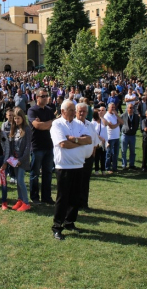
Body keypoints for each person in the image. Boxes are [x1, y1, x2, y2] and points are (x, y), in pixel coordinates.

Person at [50, 100, 92, 240]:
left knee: (75, 197)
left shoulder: (79, 124)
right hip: (64, 166)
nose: (74, 112)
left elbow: (89, 140)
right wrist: (79, 141)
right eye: (71, 110)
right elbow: (62, 144)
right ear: (63, 111)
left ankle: (70, 221)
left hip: (79, 165)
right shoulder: (57, 124)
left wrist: (73, 139)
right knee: (63, 198)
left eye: (74, 110)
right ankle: (57, 226)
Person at [27, 88, 55, 205]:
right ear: (37, 97)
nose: (45, 98)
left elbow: (53, 126)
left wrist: (46, 124)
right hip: (37, 146)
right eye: (43, 96)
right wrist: (50, 122)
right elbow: (38, 126)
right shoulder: (32, 110)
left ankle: (46, 197)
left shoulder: (49, 110)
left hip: (48, 145)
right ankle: (34, 197)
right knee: (35, 173)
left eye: (46, 96)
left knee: (48, 173)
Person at [76, 103, 99, 211]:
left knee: (85, 182)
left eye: (84, 111)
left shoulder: (90, 125)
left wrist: (93, 154)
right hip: (76, 159)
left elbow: (95, 142)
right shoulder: (73, 124)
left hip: (88, 158)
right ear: (76, 112)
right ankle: (75, 204)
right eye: (80, 111)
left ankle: (84, 203)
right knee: (76, 182)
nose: (81, 113)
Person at [9, 107, 32, 212]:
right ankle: (20, 199)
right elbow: (12, 144)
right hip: (15, 159)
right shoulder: (15, 129)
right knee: (17, 181)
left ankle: (26, 202)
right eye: (15, 118)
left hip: (22, 160)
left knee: (21, 180)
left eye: (18, 118)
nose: (16, 120)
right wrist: (12, 157)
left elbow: (28, 147)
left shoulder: (27, 129)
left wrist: (21, 160)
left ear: (23, 118)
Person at [103, 103, 123, 174]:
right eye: (112, 107)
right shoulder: (106, 116)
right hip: (110, 137)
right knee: (109, 154)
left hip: (117, 137)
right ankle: (107, 167)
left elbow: (122, 122)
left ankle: (115, 168)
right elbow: (111, 126)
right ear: (108, 108)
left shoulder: (115, 115)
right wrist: (118, 124)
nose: (113, 109)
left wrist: (117, 115)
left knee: (116, 154)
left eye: (114, 107)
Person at [120, 103, 140, 170]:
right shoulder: (123, 115)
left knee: (132, 151)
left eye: (132, 108)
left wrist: (134, 130)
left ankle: (131, 164)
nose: (131, 109)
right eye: (130, 108)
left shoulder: (136, 116)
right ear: (127, 108)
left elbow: (137, 124)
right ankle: (124, 165)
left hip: (132, 136)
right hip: (125, 135)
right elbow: (120, 124)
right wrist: (123, 130)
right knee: (124, 151)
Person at [92, 108, 108, 175]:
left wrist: (102, 117)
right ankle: (96, 170)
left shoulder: (102, 121)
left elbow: (106, 124)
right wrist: (100, 138)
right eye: (99, 112)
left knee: (103, 157)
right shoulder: (93, 123)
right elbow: (93, 132)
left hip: (103, 142)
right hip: (97, 142)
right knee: (97, 157)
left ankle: (103, 170)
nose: (100, 112)